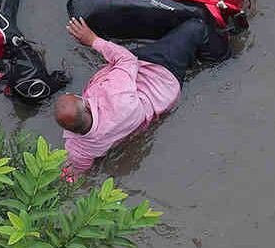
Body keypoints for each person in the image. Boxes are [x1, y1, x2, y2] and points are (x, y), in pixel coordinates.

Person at [55, 15, 212, 173]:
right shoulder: (116, 97)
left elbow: (73, 172)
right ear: (88, 106)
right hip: (160, 74)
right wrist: (93, 40)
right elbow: (127, 59)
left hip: (157, 104)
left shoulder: (78, 149)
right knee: (197, 26)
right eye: (77, 97)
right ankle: (221, 54)